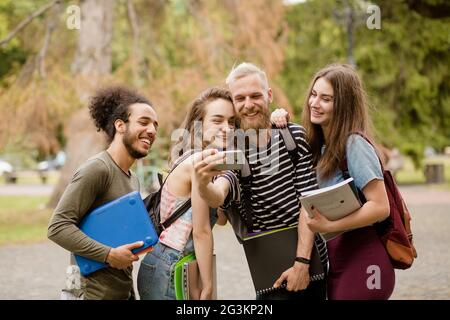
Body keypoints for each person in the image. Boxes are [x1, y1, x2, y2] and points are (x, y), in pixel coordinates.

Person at [199, 62, 328, 300]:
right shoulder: (231, 150)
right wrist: (203, 184)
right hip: (269, 272)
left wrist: (301, 263)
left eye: (255, 95)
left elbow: (308, 204)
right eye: (240, 98)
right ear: (233, 104)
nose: (248, 105)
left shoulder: (294, 137)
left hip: (311, 264)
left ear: (269, 95)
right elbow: (220, 195)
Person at [274, 64, 395, 299]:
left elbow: (381, 207)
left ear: (344, 105)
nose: (314, 103)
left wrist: (328, 226)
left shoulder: (354, 144)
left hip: (365, 262)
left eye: (326, 99)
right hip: (340, 260)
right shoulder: (322, 147)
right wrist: (277, 117)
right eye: (314, 94)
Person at [47, 86, 158, 300]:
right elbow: (58, 227)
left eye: (155, 125)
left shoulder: (132, 178)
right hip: (90, 294)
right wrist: (109, 255)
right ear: (120, 125)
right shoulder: (98, 169)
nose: (152, 130)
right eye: (144, 122)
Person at [137, 87, 237, 300]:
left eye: (232, 122)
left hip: (163, 261)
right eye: (217, 121)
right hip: (172, 265)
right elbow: (201, 231)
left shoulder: (198, 159)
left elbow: (219, 219)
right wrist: (208, 284)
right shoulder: (197, 163)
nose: (227, 128)